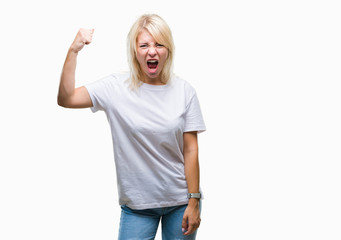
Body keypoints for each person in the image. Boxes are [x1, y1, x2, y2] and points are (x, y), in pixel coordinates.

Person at [58, 14, 206, 240]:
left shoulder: (184, 91)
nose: (152, 51)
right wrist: (73, 51)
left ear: (168, 49)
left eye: (159, 44)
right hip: (137, 206)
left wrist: (194, 200)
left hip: (180, 203)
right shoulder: (115, 88)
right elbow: (66, 98)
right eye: (144, 45)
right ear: (135, 51)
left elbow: (190, 150)